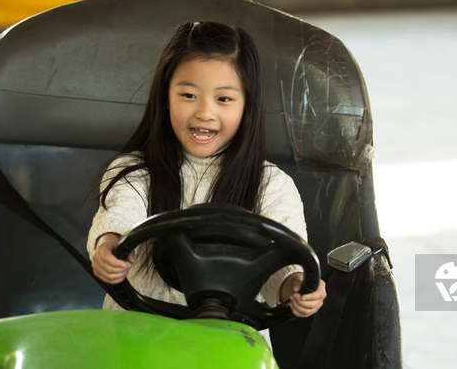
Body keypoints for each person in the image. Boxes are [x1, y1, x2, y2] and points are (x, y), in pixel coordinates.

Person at [87, 21, 326, 343]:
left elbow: (283, 259)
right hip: (134, 341)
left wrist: (295, 285)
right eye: (188, 95)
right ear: (165, 97)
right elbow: (118, 217)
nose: (205, 112)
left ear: (247, 106)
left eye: (224, 99)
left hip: (228, 345)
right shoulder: (134, 171)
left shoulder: (270, 185)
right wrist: (108, 248)